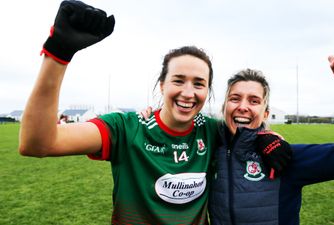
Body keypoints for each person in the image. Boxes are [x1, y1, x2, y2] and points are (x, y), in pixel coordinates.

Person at [19, 1, 274, 224]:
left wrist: (272, 139)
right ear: (162, 84)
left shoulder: (212, 130)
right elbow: (37, 144)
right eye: (178, 80)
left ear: (207, 90)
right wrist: (58, 55)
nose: (188, 92)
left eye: (199, 83)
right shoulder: (126, 128)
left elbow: (248, 129)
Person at [208, 56, 334, 225]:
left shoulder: (284, 157)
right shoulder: (208, 148)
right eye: (234, 99)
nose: (242, 107)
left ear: (266, 114)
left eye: (254, 101)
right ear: (224, 107)